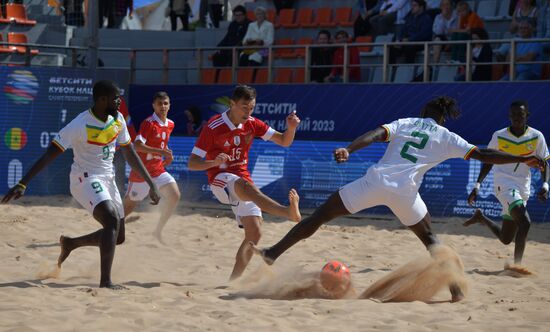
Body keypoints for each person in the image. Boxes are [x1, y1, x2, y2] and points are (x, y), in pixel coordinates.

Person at [251, 96, 544, 302]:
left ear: (423, 111)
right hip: (405, 193)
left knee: (320, 217)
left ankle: (272, 253)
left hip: (376, 182)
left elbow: (375, 135)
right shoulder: (447, 136)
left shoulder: (407, 122)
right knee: (430, 240)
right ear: (442, 117)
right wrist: (523, 157)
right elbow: (484, 154)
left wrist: (349, 150)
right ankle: (455, 289)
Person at [1, 80, 161, 289]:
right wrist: (23, 183)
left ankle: (71, 243)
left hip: (107, 178)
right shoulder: (79, 124)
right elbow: (50, 154)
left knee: (117, 236)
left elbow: (130, 153)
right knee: (111, 220)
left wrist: (151, 183)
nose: (119, 101)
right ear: (103, 100)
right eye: (115, 98)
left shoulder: (118, 119)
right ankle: (106, 282)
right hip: (84, 179)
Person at [187, 85, 301, 280]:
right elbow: (192, 163)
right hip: (219, 180)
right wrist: (213, 162)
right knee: (246, 186)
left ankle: (233, 281)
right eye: (244, 107)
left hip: (242, 179)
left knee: (254, 233)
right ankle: (286, 212)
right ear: (232, 104)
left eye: (252, 108)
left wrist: (291, 128)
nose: (248, 112)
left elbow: (284, 141)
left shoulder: (253, 123)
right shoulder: (213, 127)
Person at [464, 100, 549, 265]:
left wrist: (545, 185)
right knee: (525, 222)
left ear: (527, 116)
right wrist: (477, 186)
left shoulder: (537, 136)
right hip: (504, 184)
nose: (517, 118)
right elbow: (488, 161)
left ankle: (481, 218)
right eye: (514, 115)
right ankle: (517, 266)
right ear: (509, 116)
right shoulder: (499, 135)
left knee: (506, 238)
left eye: (521, 115)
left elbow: (544, 164)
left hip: (524, 186)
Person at [123, 92, 180, 243]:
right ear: (153, 106)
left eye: (165, 103)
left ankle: (157, 231)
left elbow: (161, 143)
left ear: (169, 105)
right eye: (160, 103)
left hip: (157, 169)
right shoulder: (149, 123)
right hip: (141, 171)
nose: (163, 106)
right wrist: (160, 152)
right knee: (128, 207)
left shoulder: (170, 124)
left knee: (175, 195)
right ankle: (113, 225)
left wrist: (167, 153)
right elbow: (138, 145)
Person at [389, 0, 433, 64]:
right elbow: (403, 30)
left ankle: (409, 69)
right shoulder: (409, 18)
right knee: (391, 48)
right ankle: (392, 70)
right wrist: (399, 40)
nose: (412, 7)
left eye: (414, 5)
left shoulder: (426, 18)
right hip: (407, 42)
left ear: (421, 7)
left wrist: (409, 39)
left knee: (409, 47)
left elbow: (423, 34)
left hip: (420, 43)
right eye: (411, 5)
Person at [432, 0, 459, 64]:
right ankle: (436, 65)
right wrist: (443, 18)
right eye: (443, 5)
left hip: (455, 40)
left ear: (452, 6)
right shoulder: (438, 17)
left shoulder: (457, 16)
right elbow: (438, 32)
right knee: (437, 39)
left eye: (447, 4)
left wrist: (450, 42)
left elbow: (457, 31)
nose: (445, 7)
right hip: (444, 41)